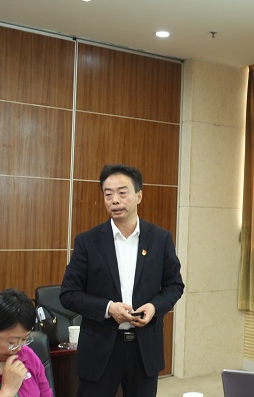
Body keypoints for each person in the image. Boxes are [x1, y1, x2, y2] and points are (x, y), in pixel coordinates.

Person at [60, 164, 184, 397]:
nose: (114, 200)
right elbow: (68, 293)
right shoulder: (88, 241)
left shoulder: (160, 239)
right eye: (108, 194)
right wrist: (108, 308)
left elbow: (174, 285)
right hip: (100, 348)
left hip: (144, 349)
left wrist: (154, 307)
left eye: (122, 193)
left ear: (139, 195)